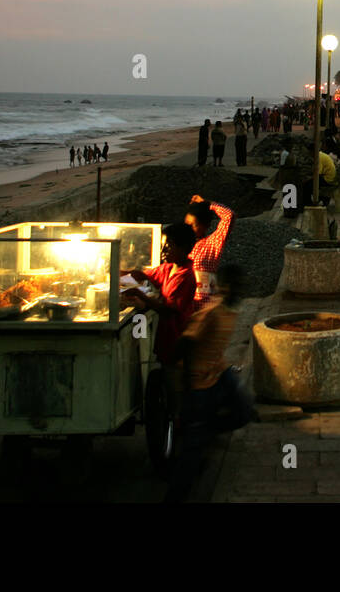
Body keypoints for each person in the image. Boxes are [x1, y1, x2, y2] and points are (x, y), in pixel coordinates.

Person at [164, 263, 254, 502]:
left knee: (244, 411)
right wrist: (187, 381)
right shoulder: (211, 313)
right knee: (192, 454)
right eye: (233, 286)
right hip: (199, 384)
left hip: (219, 373)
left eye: (240, 286)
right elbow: (184, 343)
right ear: (222, 287)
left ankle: (207, 431)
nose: (237, 291)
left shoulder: (231, 310)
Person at [121, 222, 198, 367]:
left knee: (173, 379)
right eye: (162, 245)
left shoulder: (185, 276)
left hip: (176, 338)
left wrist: (138, 293)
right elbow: (143, 275)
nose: (163, 250)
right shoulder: (169, 268)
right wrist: (118, 272)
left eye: (168, 246)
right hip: (165, 339)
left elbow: (167, 310)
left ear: (183, 248)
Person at [185, 195, 235, 312]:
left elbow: (229, 216)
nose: (189, 229)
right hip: (186, 306)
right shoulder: (183, 246)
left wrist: (208, 204)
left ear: (205, 226)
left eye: (193, 225)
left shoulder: (212, 244)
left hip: (205, 308)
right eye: (187, 225)